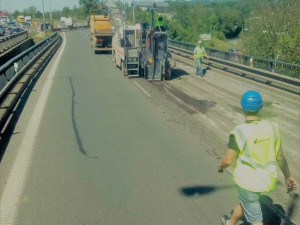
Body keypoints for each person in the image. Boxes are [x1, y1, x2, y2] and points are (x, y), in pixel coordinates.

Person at [218, 90, 297, 225]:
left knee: (255, 219)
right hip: (266, 180)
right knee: (245, 201)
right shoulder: (272, 127)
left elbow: (228, 160)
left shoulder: (239, 131)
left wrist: (220, 167)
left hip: (248, 182)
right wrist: (287, 176)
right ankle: (229, 223)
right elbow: (280, 156)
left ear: (242, 108)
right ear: (260, 107)